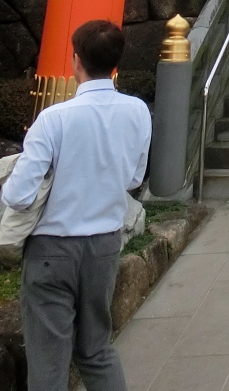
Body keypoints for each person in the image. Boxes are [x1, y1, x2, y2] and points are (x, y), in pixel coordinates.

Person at [2, 20, 152, 391]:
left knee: (48, 361)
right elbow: (134, 178)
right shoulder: (137, 112)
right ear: (115, 63)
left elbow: (18, 196)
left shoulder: (54, 119)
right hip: (104, 246)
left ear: (76, 60)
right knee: (96, 351)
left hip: (52, 249)